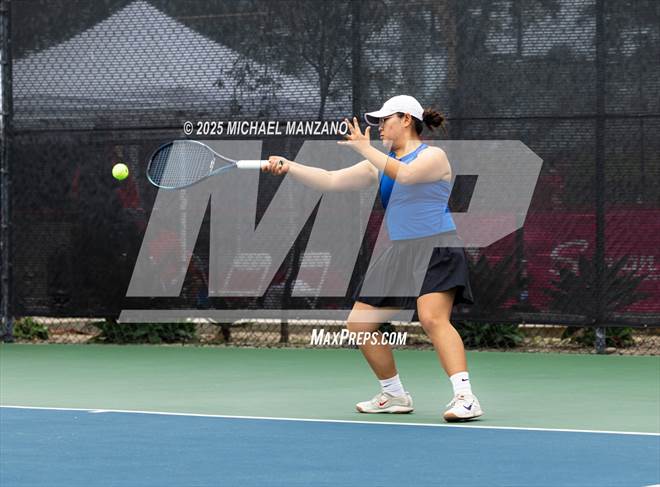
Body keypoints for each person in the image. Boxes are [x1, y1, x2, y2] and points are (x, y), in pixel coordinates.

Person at [263, 95, 482, 422]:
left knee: (432, 318)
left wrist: (365, 150)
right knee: (360, 323)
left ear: (406, 119)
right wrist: (290, 166)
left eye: (385, 120)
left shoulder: (433, 156)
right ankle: (394, 394)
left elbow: (406, 175)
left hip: (437, 247)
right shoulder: (378, 163)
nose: (379, 126)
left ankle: (466, 397)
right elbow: (330, 180)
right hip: (400, 250)